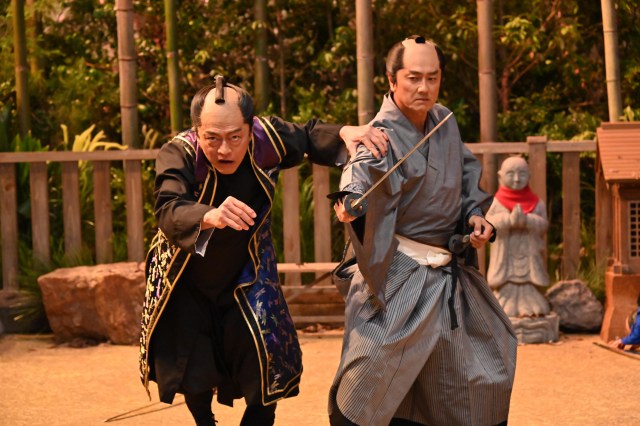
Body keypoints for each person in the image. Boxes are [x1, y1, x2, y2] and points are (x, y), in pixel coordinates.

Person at [139, 76, 388, 426]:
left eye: (235, 137)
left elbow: (307, 136)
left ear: (249, 127)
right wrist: (209, 215)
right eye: (212, 138)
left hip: (249, 269)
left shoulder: (266, 138)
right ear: (197, 131)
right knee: (194, 367)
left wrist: (345, 132)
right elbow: (168, 207)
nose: (224, 150)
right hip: (187, 274)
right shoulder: (179, 153)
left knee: (268, 361)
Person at [329, 36, 517, 426]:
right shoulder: (379, 131)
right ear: (392, 79)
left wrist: (474, 216)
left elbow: (465, 177)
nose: (424, 87)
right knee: (370, 377)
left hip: (448, 276)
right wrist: (350, 200)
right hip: (398, 276)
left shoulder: (444, 122)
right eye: (413, 77)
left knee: (482, 373)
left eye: (432, 78)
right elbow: (359, 170)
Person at [486, 156, 551, 317]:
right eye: (511, 174)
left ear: (529, 176)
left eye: (522, 174)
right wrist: (508, 220)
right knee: (504, 296)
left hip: (529, 259)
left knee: (531, 293)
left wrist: (527, 220)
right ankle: (504, 301)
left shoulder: (536, 203)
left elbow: (543, 224)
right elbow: (489, 223)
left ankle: (532, 302)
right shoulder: (496, 203)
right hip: (505, 261)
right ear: (500, 176)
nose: (516, 178)